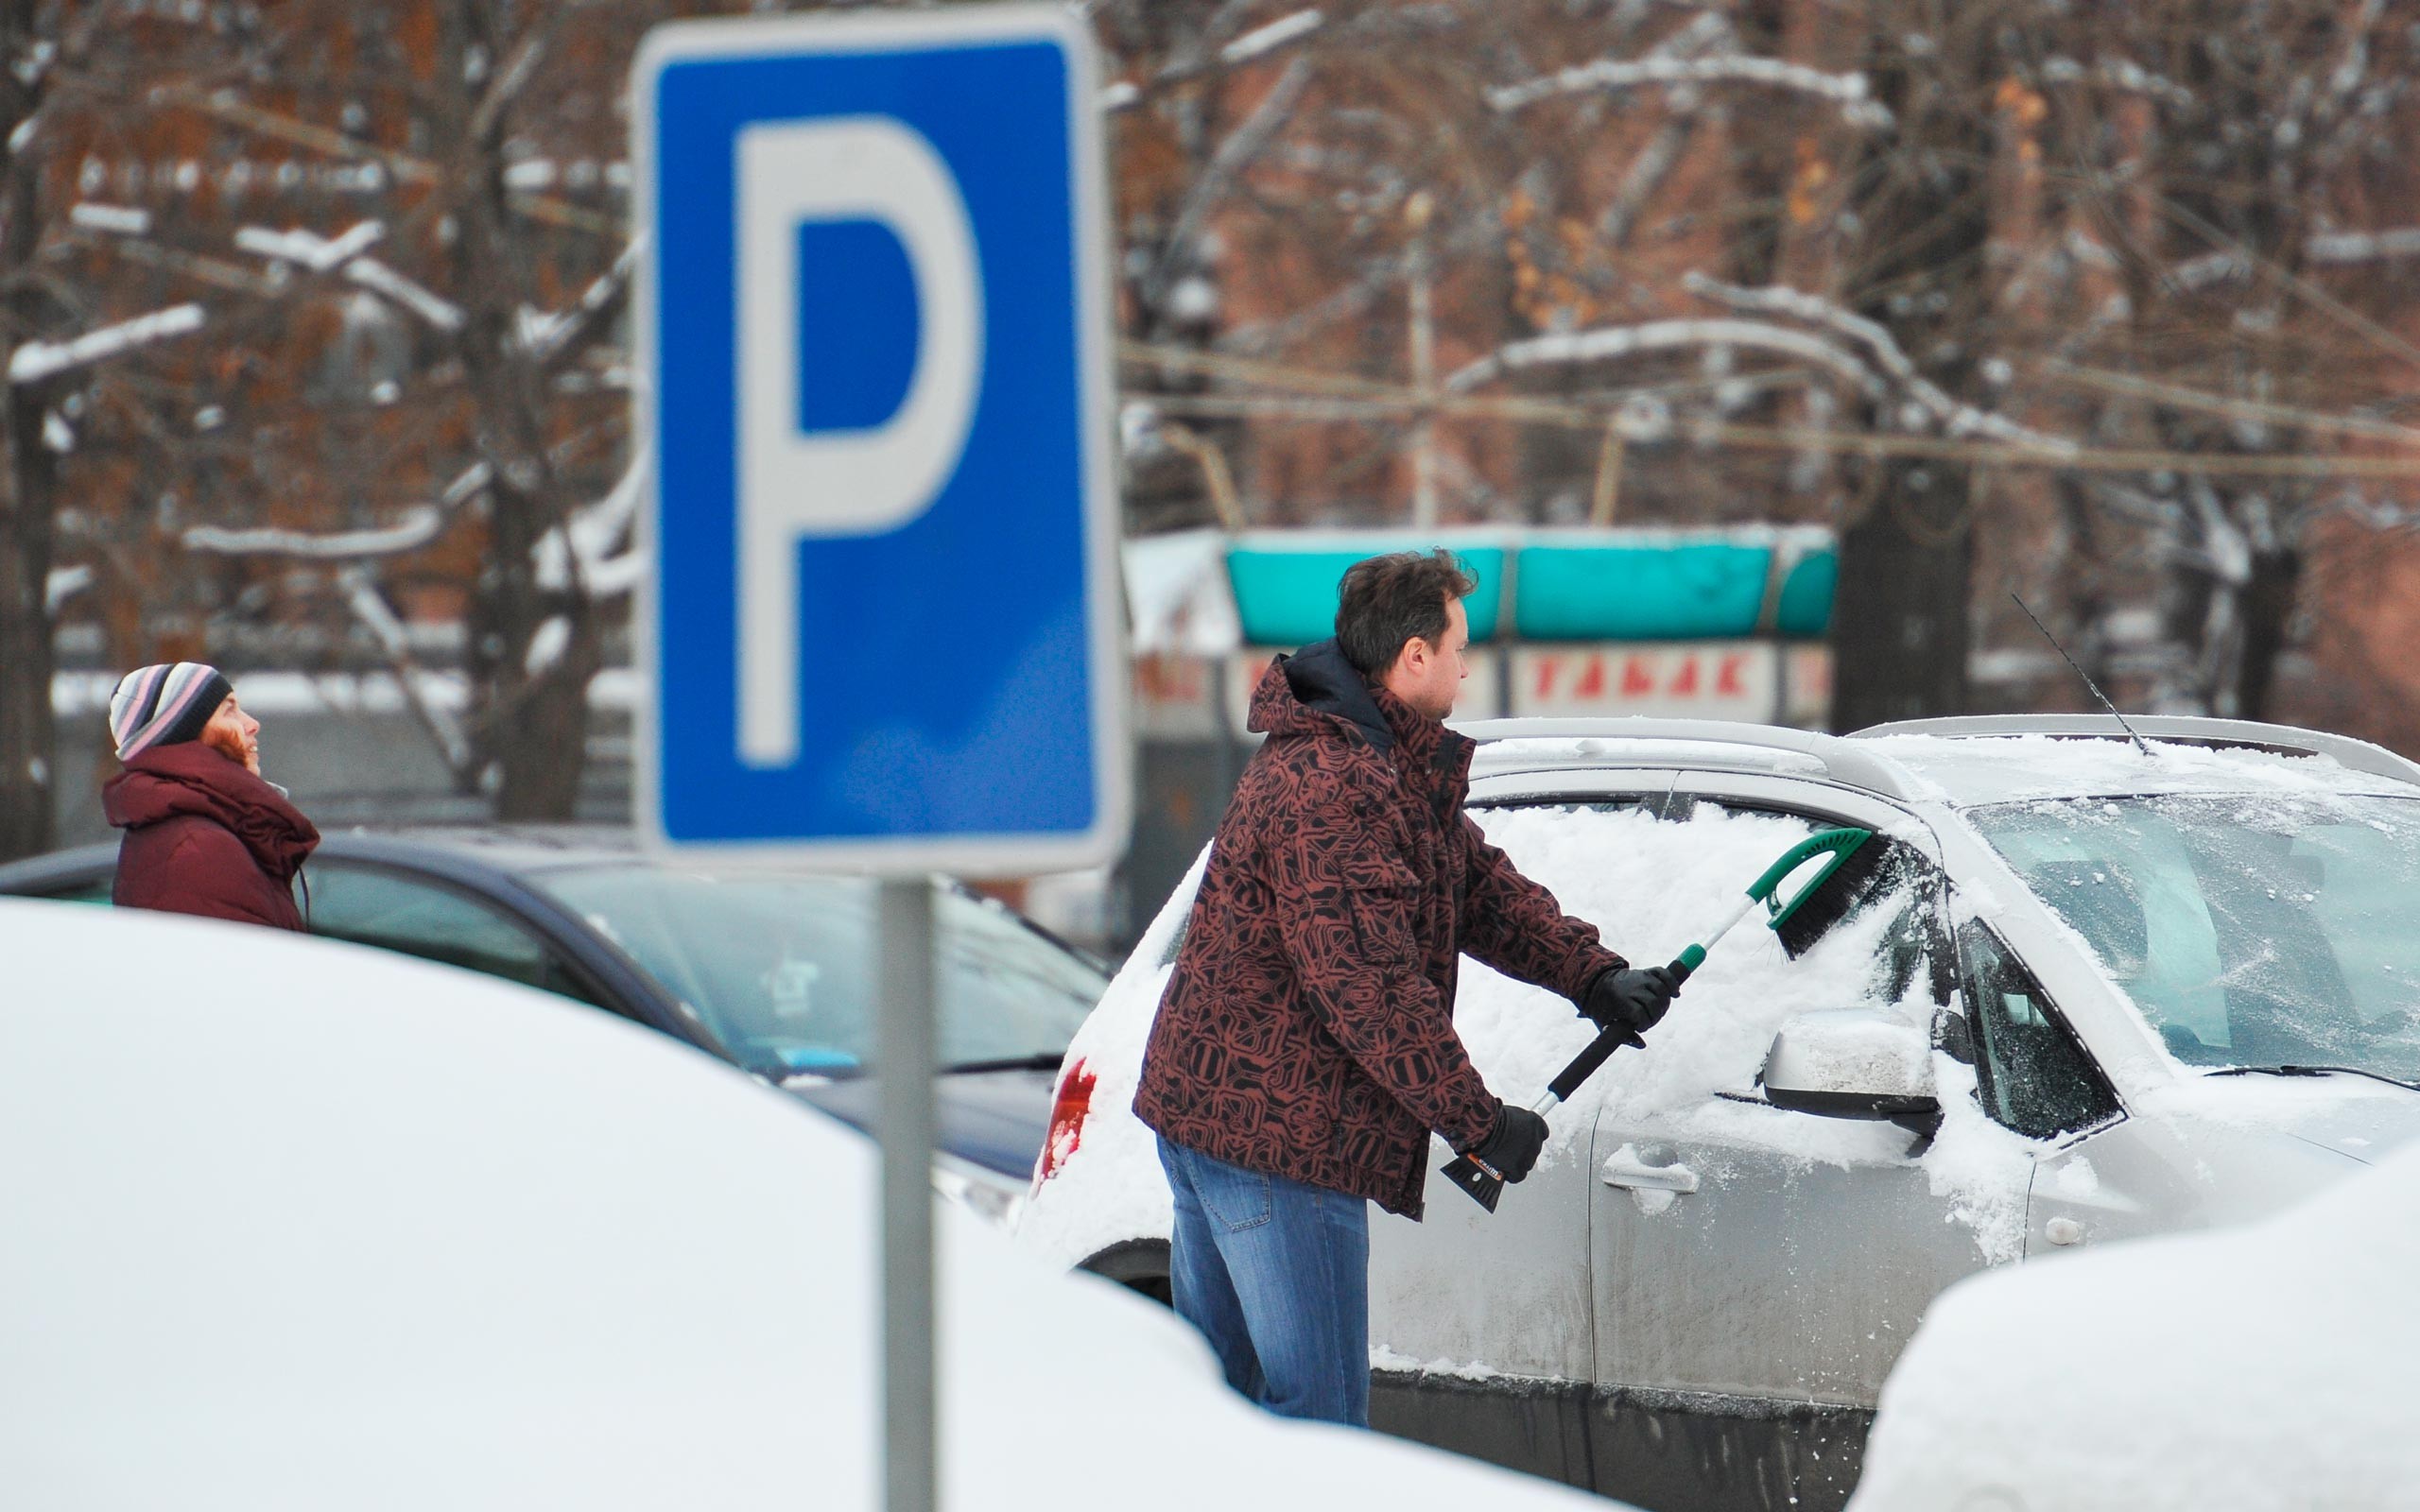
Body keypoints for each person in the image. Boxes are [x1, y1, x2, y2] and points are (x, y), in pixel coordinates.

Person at [1132, 549, 1680, 1427]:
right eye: (1458, 646)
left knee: (1227, 1422)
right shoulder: (1332, 785)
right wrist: (1479, 1122)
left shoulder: (1378, 760)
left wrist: (1596, 975)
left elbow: (1475, 888)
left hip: (1230, 1120)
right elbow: (1370, 989)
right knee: (1318, 1421)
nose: (1468, 667)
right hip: (1275, 1141)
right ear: (1414, 656)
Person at [102, 662, 320, 931]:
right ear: (187, 736)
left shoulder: (197, 833)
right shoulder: (198, 850)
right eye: (229, 710)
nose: (253, 724)